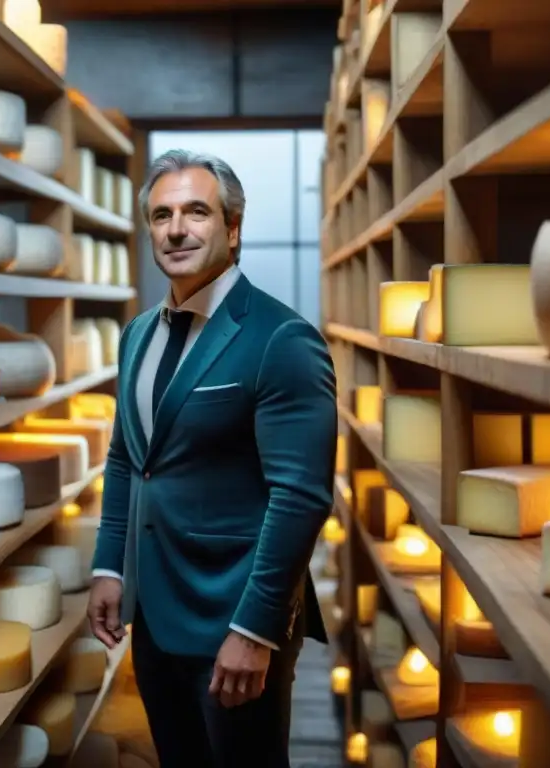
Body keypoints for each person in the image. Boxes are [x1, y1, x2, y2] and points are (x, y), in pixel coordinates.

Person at [86, 149, 338, 768]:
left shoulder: (282, 339)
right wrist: (109, 567)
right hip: (155, 611)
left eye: (196, 212)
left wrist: (254, 631)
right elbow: (126, 459)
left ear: (232, 228)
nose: (176, 228)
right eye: (161, 214)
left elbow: (300, 497)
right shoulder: (138, 333)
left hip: (235, 616)